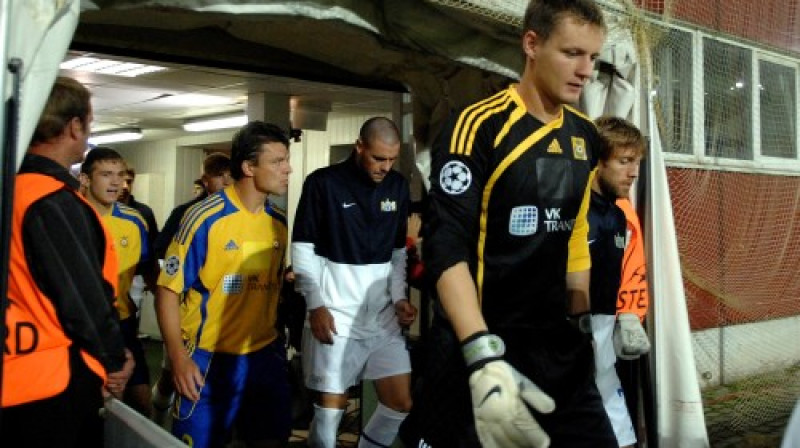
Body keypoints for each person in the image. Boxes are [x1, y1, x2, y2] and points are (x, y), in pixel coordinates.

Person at [400, 1, 618, 447]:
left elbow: (575, 230)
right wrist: (480, 355)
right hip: (479, 345)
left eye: (593, 57)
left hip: (556, 349)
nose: (586, 70)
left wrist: (579, 324)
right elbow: (445, 248)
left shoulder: (584, 134)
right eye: (572, 53)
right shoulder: (477, 128)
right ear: (532, 44)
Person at [1, 76, 133, 447]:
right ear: (75, 126)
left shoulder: (13, 188)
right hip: (51, 385)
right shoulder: (52, 200)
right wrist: (114, 357)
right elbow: (82, 299)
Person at [156, 121, 293, 448]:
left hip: (263, 356)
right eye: (277, 162)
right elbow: (167, 291)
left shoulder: (278, 223)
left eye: (287, 160)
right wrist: (178, 357)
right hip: (208, 359)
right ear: (248, 167)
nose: (288, 169)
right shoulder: (204, 218)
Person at [292, 116, 416, 448]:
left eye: (392, 159)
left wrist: (400, 297)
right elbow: (302, 250)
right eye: (378, 158)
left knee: (400, 403)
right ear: (358, 147)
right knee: (331, 417)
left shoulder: (398, 185)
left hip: (382, 318)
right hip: (335, 315)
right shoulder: (323, 183)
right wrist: (315, 305)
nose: (385, 166)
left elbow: (397, 253)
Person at [150, 151, 232, 425]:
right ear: (206, 180)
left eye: (228, 175)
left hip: (224, 316)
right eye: (218, 176)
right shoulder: (186, 213)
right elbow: (162, 254)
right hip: (186, 314)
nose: (224, 181)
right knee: (171, 374)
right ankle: (158, 417)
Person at [79, 146, 157, 418]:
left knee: (142, 403)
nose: (116, 182)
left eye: (120, 175)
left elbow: (150, 272)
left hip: (122, 323)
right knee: (103, 405)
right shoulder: (69, 216)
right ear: (85, 179)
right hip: (81, 327)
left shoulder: (135, 221)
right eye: (106, 174)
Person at [588, 116, 648, 448]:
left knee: (623, 439)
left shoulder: (618, 215)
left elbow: (628, 270)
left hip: (604, 346)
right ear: (597, 161)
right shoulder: (573, 210)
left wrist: (627, 314)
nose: (634, 172)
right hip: (566, 352)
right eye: (624, 162)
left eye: (636, 162)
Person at [120, 165, 159, 245]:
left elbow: (153, 244)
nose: (125, 186)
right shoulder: (104, 211)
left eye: (129, 182)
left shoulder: (144, 212)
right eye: (121, 181)